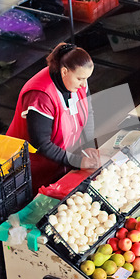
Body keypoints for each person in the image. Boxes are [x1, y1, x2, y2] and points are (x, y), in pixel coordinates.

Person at [7, 42, 100, 192]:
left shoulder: (77, 79)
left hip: (61, 160)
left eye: (86, 79)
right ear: (64, 71)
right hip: (33, 168)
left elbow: (88, 114)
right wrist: (78, 161)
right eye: (80, 79)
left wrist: (88, 146)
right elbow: (42, 144)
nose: (84, 84)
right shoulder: (40, 95)